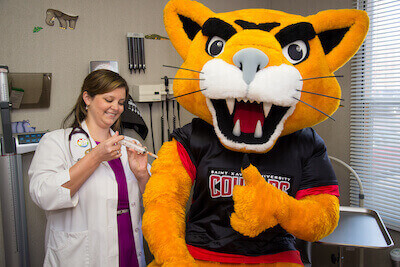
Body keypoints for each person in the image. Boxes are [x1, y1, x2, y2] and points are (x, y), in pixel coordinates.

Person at [29, 69, 150, 267]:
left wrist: (142, 175)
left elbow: (154, 201)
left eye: (121, 102)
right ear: (87, 98)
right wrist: (95, 157)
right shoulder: (57, 142)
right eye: (109, 99)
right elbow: (43, 195)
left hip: (128, 244)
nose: (116, 108)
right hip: (84, 254)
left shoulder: (129, 145)